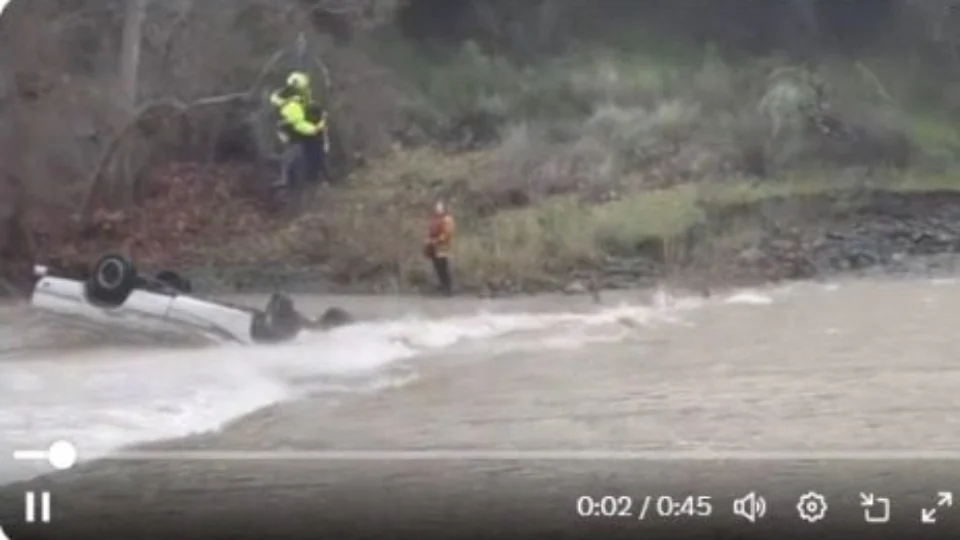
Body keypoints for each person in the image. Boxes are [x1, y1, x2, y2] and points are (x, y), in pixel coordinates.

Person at [269, 71, 331, 187]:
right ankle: (290, 180)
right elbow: (299, 124)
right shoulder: (291, 105)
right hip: (293, 133)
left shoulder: (284, 96)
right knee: (296, 153)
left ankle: (310, 176)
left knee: (297, 153)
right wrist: (317, 128)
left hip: (290, 130)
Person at [423, 201, 455, 296]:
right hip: (435, 248)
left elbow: (446, 234)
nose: (437, 209)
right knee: (437, 268)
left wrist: (435, 241)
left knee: (443, 268)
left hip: (443, 247)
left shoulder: (447, 219)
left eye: (440, 207)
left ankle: (448, 288)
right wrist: (429, 241)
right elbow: (431, 231)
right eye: (437, 207)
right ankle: (442, 286)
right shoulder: (435, 219)